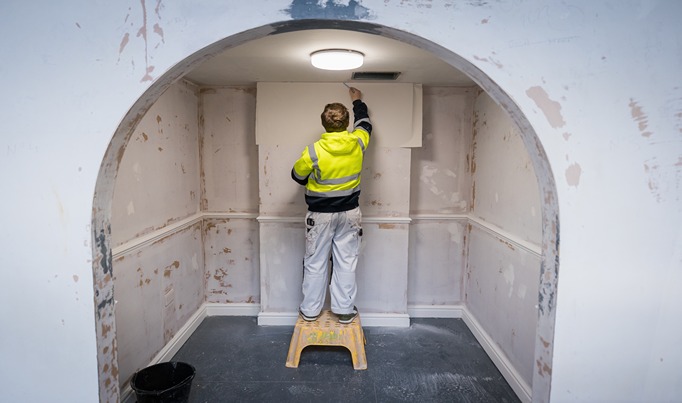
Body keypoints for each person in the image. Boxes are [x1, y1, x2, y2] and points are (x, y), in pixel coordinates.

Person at [291, 87, 372, 324]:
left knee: (315, 262)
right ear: (346, 123)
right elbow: (365, 124)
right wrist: (357, 101)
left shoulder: (314, 151)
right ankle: (345, 311)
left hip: (320, 215)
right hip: (350, 213)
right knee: (346, 261)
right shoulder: (358, 142)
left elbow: (297, 175)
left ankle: (310, 311)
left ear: (324, 124)